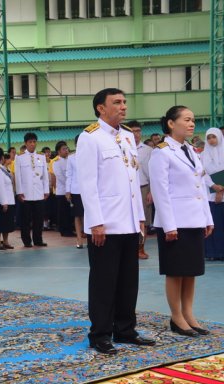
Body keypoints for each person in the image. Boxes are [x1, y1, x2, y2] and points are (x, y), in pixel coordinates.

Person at [77, 88, 155, 355]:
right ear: (101, 108)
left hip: (129, 221)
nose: (123, 106)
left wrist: (140, 219)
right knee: (103, 281)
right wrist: (96, 223)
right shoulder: (90, 138)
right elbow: (87, 185)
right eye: (117, 102)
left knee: (127, 279)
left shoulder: (126, 137)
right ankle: (99, 334)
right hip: (106, 223)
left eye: (124, 102)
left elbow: (133, 182)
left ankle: (125, 329)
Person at [149, 106, 215, 337]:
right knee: (175, 271)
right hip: (175, 221)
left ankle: (189, 314)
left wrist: (207, 218)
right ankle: (176, 316)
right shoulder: (162, 152)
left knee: (191, 271)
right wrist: (169, 225)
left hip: (194, 219)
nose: (191, 124)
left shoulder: (190, 150)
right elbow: (160, 191)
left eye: (193, 120)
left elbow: (200, 186)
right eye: (186, 119)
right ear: (170, 123)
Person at [14, 132, 49, 248]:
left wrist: (46, 190)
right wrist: (19, 191)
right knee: (26, 219)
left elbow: (45, 175)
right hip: (26, 193)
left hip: (39, 193)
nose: (33, 144)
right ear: (26, 143)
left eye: (34, 142)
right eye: (30, 142)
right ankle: (27, 241)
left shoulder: (41, 157)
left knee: (38, 218)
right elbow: (17, 176)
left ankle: (38, 239)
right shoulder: (19, 158)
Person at [127, 120, 153, 259]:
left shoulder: (148, 150)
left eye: (138, 131)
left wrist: (151, 191)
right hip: (126, 189)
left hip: (143, 188)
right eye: (132, 131)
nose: (136, 134)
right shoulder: (123, 148)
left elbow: (153, 173)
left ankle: (141, 249)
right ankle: (130, 249)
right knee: (128, 220)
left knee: (144, 221)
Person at [202, 128, 224, 260]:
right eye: (209, 137)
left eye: (214, 137)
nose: (211, 140)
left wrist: (221, 191)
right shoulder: (203, 154)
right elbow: (202, 173)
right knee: (213, 225)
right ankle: (212, 253)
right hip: (209, 196)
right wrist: (214, 186)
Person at [51, 141, 75, 237]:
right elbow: (60, 177)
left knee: (69, 212)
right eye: (64, 149)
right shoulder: (56, 162)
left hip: (70, 190)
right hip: (62, 191)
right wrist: (69, 187)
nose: (66, 150)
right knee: (63, 212)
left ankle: (69, 229)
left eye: (67, 148)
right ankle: (64, 230)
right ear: (58, 151)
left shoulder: (70, 160)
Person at [65, 136, 85, 249]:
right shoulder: (71, 158)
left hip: (88, 190)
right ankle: (79, 239)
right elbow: (69, 175)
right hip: (76, 190)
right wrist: (67, 190)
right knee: (77, 215)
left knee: (87, 215)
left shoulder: (90, 156)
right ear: (76, 144)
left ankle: (89, 236)